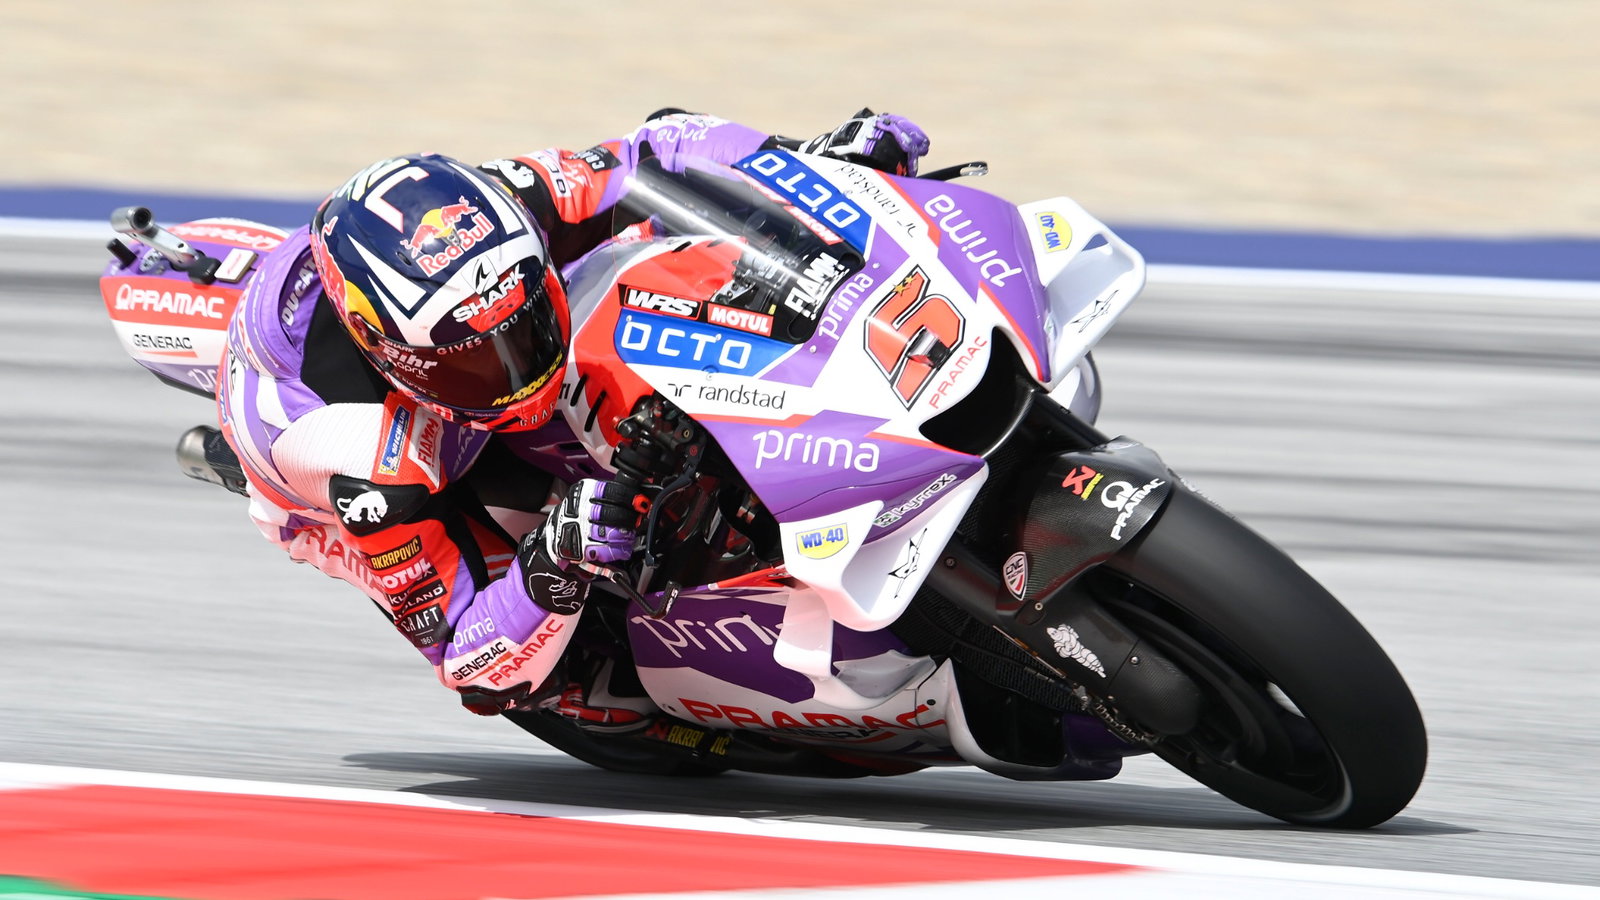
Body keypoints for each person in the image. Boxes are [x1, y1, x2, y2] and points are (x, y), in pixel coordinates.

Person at [210, 109, 930, 718]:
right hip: (348, 479)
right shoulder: (361, 463)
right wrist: (553, 558)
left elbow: (661, 146)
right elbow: (467, 665)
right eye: (475, 361)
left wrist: (805, 165)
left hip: (430, 353)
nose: (518, 373)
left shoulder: (506, 209)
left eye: (524, 329)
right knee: (544, 676)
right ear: (394, 356)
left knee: (661, 253)